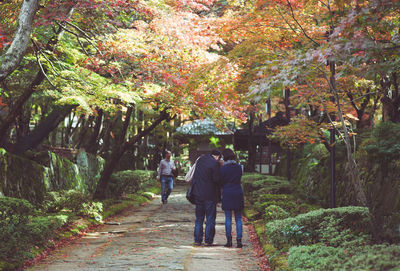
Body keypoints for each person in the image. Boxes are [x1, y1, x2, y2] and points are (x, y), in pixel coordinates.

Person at [191, 149, 221, 246]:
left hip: (198, 193)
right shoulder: (214, 163)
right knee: (210, 218)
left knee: (199, 218)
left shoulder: (200, 160)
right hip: (210, 194)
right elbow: (217, 179)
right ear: (217, 156)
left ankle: (197, 239)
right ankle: (208, 240)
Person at [220, 148, 244, 248]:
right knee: (238, 218)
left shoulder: (223, 168)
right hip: (238, 191)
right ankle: (239, 241)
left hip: (227, 191)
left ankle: (229, 240)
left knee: (228, 217)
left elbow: (220, 181)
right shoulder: (239, 167)